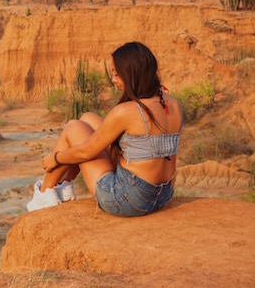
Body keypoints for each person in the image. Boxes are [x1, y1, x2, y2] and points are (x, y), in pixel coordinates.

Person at [26, 42, 183, 216]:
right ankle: (64, 187)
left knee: (73, 127)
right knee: (87, 118)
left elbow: (86, 152)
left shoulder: (128, 111)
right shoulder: (174, 104)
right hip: (162, 193)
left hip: (129, 198)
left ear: (133, 74)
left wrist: (55, 158)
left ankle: (44, 195)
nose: (113, 80)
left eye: (117, 74)